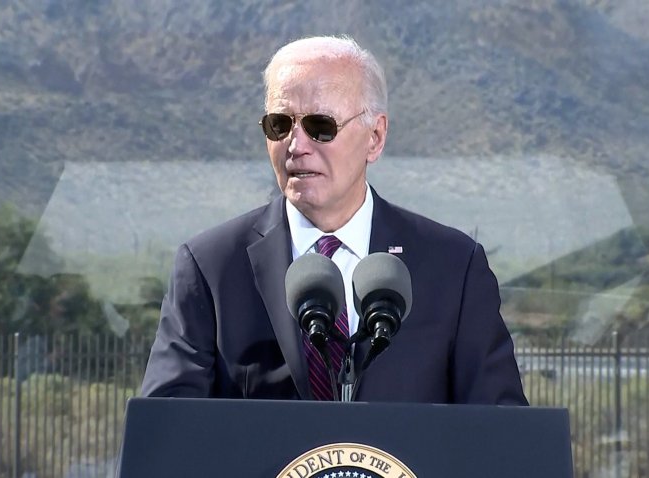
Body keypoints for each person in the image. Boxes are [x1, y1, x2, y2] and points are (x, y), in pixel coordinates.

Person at [140, 35, 527, 405]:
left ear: (374, 137)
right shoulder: (211, 267)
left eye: (320, 126)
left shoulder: (452, 267)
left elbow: (500, 432)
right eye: (280, 124)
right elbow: (167, 430)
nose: (296, 145)